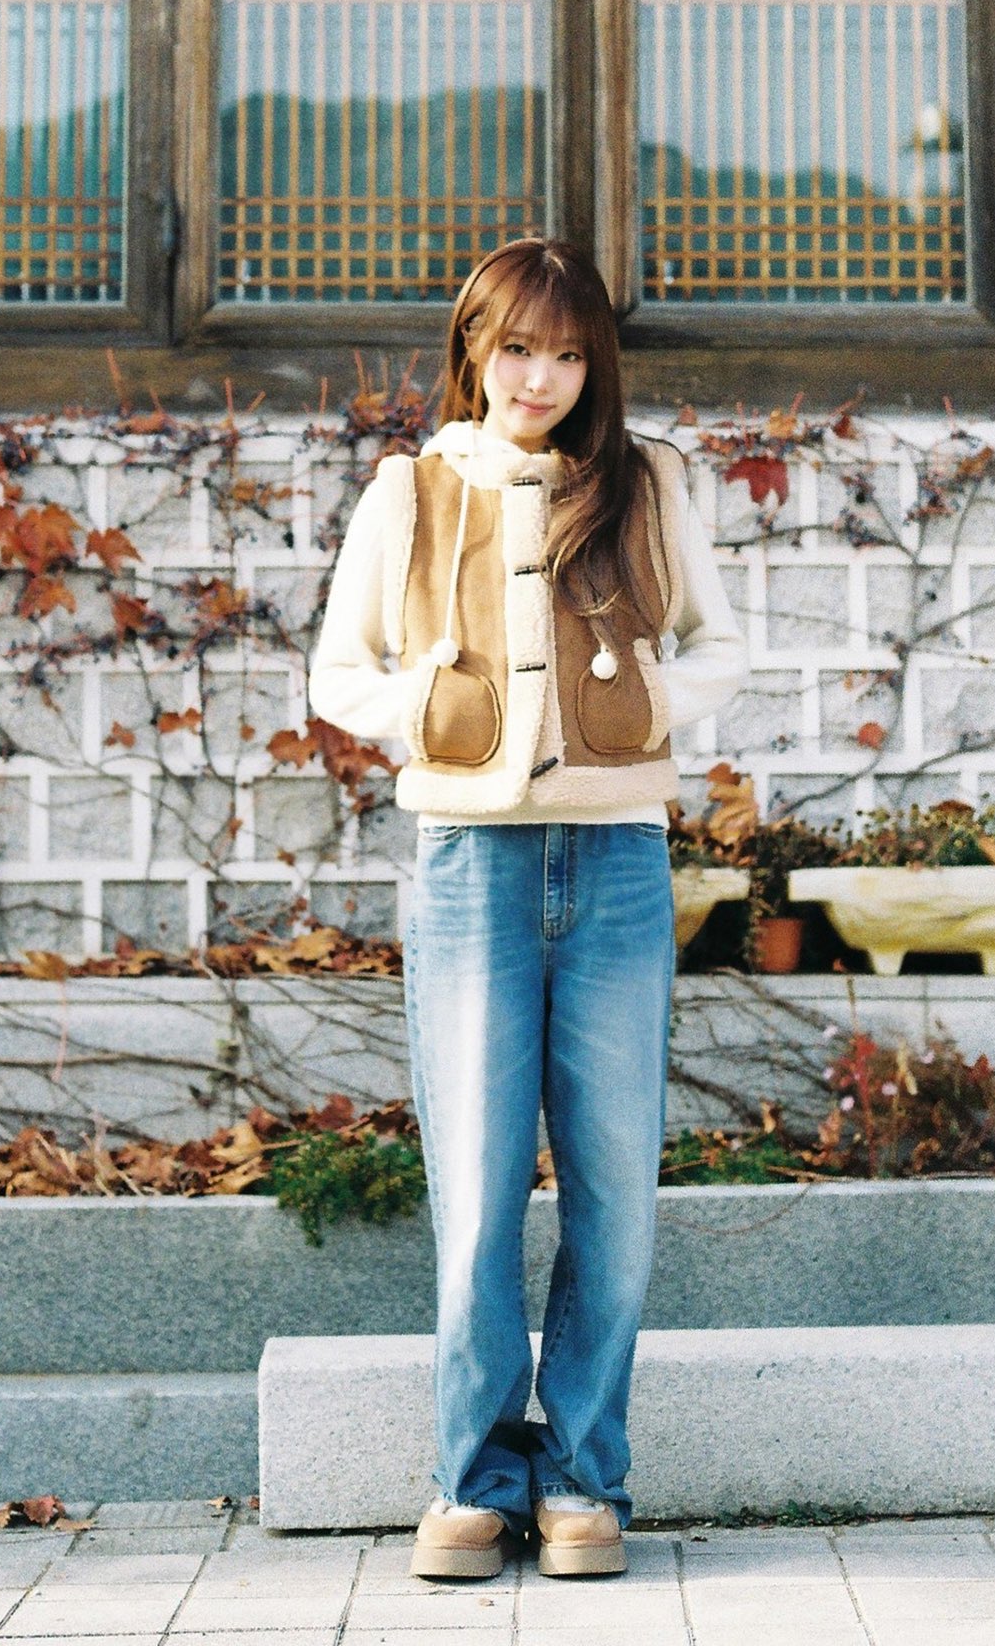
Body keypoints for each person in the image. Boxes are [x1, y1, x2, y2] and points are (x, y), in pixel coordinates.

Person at [307, 237, 747, 1580]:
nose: (540, 377)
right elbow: (339, 673)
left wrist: (637, 703)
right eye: (517, 348)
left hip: (615, 864)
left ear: (592, 365)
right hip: (470, 868)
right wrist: (434, 709)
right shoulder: (410, 491)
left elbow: (721, 649)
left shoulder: (644, 484)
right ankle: (473, 1482)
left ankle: (585, 1483)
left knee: (615, 1192)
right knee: (479, 1187)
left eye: (566, 353)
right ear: (473, 350)